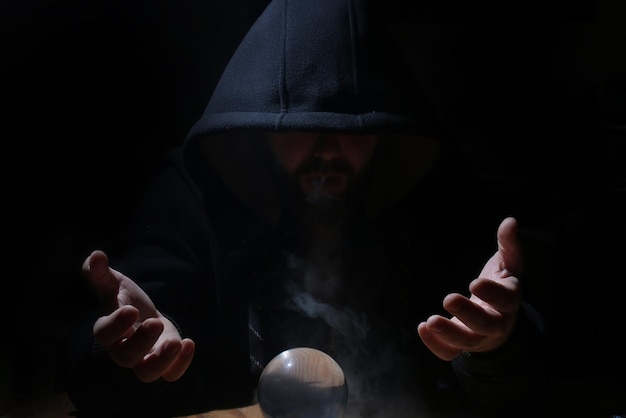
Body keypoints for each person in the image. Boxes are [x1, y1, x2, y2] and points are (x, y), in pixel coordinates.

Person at [63, 0, 547, 417]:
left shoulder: (431, 197)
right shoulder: (194, 194)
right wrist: (127, 350)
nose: (327, 149)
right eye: (300, 124)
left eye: (352, 127)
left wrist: (496, 347)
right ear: (259, 127)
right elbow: (93, 373)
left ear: (385, 130)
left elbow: (534, 377)